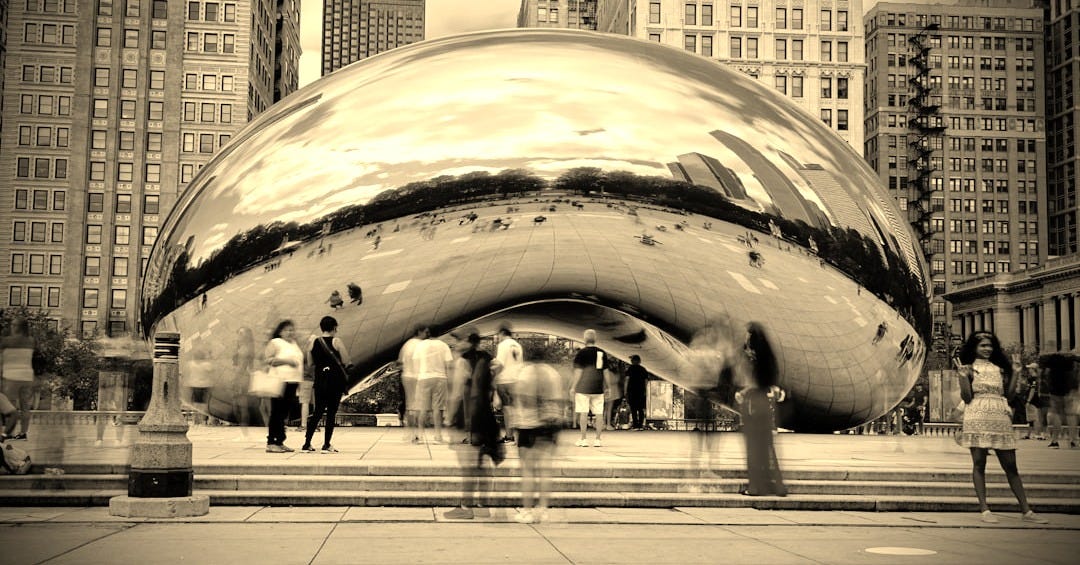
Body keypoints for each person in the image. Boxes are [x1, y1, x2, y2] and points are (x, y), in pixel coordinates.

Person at [954, 331, 1048, 523]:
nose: (987, 349)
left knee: (1011, 465)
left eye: (990, 345)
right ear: (974, 348)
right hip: (977, 413)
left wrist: (1016, 372)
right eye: (983, 345)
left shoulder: (1001, 368)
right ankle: (985, 509)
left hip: (999, 414)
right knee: (979, 463)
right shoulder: (968, 368)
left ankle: (1026, 510)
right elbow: (967, 398)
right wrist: (963, 377)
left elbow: (1011, 396)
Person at [444, 327, 503, 520]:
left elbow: (455, 394)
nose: (456, 344)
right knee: (482, 464)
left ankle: (465, 507)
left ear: (469, 341)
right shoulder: (486, 359)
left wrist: (449, 419)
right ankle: (482, 506)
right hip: (485, 418)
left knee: (468, 466)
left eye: (459, 340)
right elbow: (498, 367)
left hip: (467, 419)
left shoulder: (463, 362)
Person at [513, 354, 566, 523]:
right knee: (545, 470)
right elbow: (561, 400)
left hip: (528, 425)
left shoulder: (525, 373)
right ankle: (543, 510)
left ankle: (527, 511)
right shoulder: (553, 373)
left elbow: (522, 397)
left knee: (528, 470)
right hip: (550, 425)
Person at [737, 322, 787, 497]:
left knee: (753, 448)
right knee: (766, 448)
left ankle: (755, 487)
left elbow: (753, 384)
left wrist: (742, 393)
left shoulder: (752, 359)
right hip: (765, 407)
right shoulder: (769, 359)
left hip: (753, 405)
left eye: (747, 334)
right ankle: (775, 486)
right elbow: (768, 383)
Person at [302, 316, 350, 453]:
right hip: (334, 382)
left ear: (321, 327)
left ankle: (307, 443)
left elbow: (310, 364)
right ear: (334, 327)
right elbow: (346, 360)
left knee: (317, 412)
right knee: (331, 413)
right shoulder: (336, 341)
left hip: (320, 381)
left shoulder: (313, 343)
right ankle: (327, 444)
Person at [263, 320, 304, 452]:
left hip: (292, 381)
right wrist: (287, 361)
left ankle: (280, 441)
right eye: (287, 330)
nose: (290, 332)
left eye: (292, 330)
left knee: (284, 413)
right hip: (279, 381)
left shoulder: (294, 343)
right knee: (277, 412)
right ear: (280, 331)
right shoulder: (275, 342)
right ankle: (271, 442)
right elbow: (268, 360)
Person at [413, 325, 454, 444]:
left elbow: (415, 361)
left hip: (424, 377)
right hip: (440, 378)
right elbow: (449, 364)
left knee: (422, 407)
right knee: (438, 408)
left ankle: (419, 436)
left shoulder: (420, 345)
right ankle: (438, 436)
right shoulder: (444, 345)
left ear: (428, 333)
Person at [0, 318, 38, 441]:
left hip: (11, 376)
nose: (12, 327)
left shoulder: (7, 341)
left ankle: (8, 432)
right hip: (27, 376)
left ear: (18, 327)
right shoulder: (31, 341)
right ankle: (23, 433)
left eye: (14, 325)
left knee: (9, 406)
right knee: (25, 406)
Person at [571, 329, 607, 447]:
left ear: (585, 339)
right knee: (599, 413)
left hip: (583, 387)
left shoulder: (582, 353)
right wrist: (608, 386)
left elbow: (578, 371)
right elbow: (606, 371)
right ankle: (598, 439)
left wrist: (573, 387)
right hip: (598, 387)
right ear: (595, 339)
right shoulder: (601, 353)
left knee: (583, 413)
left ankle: (583, 439)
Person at [491, 324, 524, 444]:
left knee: (507, 409)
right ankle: (518, 435)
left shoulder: (503, 345)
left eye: (498, 335)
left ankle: (509, 436)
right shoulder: (518, 345)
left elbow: (500, 364)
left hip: (505, 380)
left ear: (502, 334)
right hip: (517, 380)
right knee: (516, 408)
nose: (498, 338)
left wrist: (492, 376)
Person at [398, 325, 429, 443]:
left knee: (410, 405)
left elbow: (400, 362)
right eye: (426, 332)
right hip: (419, 377)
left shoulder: (407, 344)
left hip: (407, 376)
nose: (427, 334)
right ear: (420, 332)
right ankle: (418, 433)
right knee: (420, 405)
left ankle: (409, 432)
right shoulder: (423, 345)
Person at [624, 355, 648, 430]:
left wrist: (625, 391)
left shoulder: (630, 369)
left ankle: (635, 425)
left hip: (632, 391)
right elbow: (646, 381)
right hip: (641, 391)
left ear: (632, 361)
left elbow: (627, 380)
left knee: (633, 408)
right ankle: (640, 425)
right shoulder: (643, 369)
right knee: (640, 409)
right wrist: (646, 391)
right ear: (639, 361)